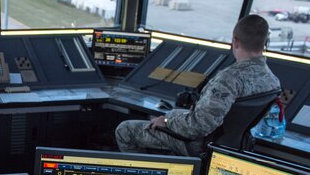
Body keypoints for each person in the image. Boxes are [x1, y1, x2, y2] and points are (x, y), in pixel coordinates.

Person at [115, 14, 281, 156]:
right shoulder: (273, 81)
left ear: (235, 41)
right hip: (231, 145)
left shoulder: (228, 79)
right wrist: (171, 116)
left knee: (124, 130)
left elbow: (199, 126)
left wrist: (167, 120)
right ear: (265, 42)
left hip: (198, 145)